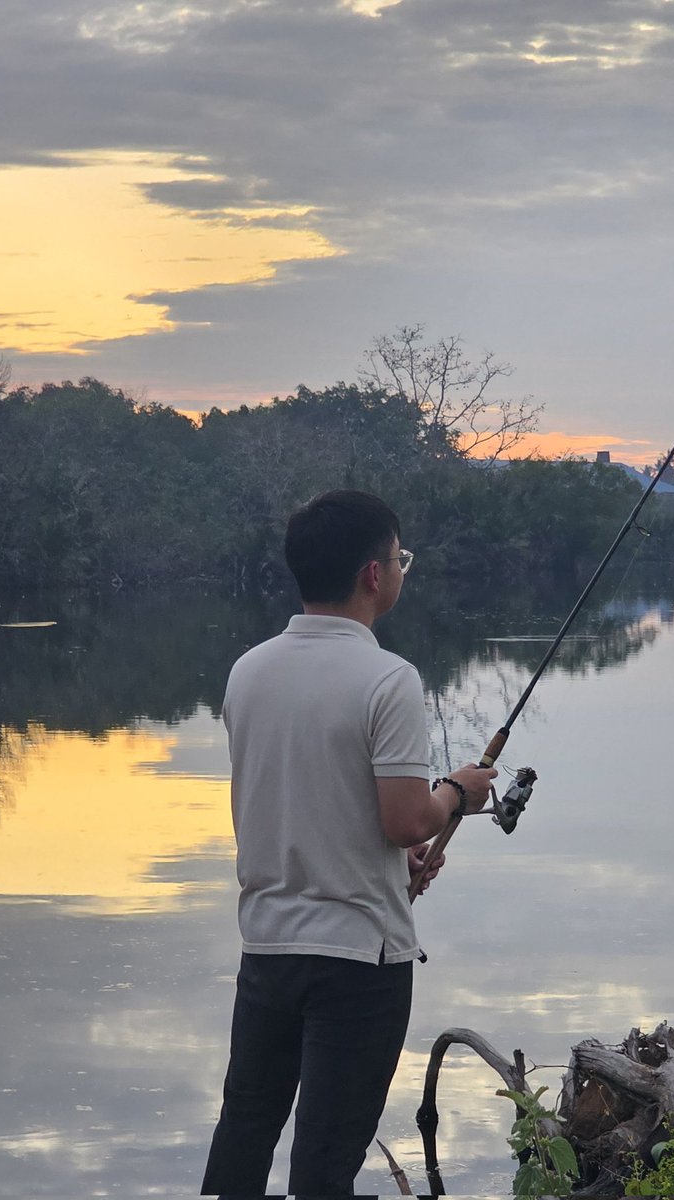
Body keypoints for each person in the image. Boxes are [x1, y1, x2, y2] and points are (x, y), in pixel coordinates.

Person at [201, 489, 496, 1196]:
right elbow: (405, 819)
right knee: (327, 1158)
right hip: (358, 962)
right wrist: (459, 791)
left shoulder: (249, 670)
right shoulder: (387, 679)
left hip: (267, 947)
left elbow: (308, 804)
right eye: (400, 559)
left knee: (244, 1130)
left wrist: (395, 860)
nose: (401, 570)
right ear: (374, 574)